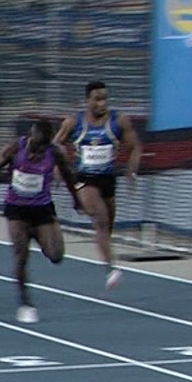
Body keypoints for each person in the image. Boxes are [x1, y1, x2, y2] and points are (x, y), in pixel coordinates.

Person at [0, 119, 78, 323]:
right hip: (16, 210)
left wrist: (76, 199)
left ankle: (38, 234)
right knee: (21, 257)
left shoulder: (53, 152)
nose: (39, 152)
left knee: (56, 255)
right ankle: (25, 302)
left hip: (42, 209)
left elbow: (69, 176)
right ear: (31, 135)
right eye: (37, 146)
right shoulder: (14, 148)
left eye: (43, 147)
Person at [52, 80, 142, 289]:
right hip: (84, 180)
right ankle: (111, 268)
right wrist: (59, 164)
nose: (102, 104)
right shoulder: (74, 122)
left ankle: (104, 254)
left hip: (108, 180)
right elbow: (55, 144)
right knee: (100, 219)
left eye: (105, 99)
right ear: (88, 100)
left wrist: (131, 171)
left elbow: (136, 146)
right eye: (97, 99)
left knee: (107, 225)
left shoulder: (119, 121)